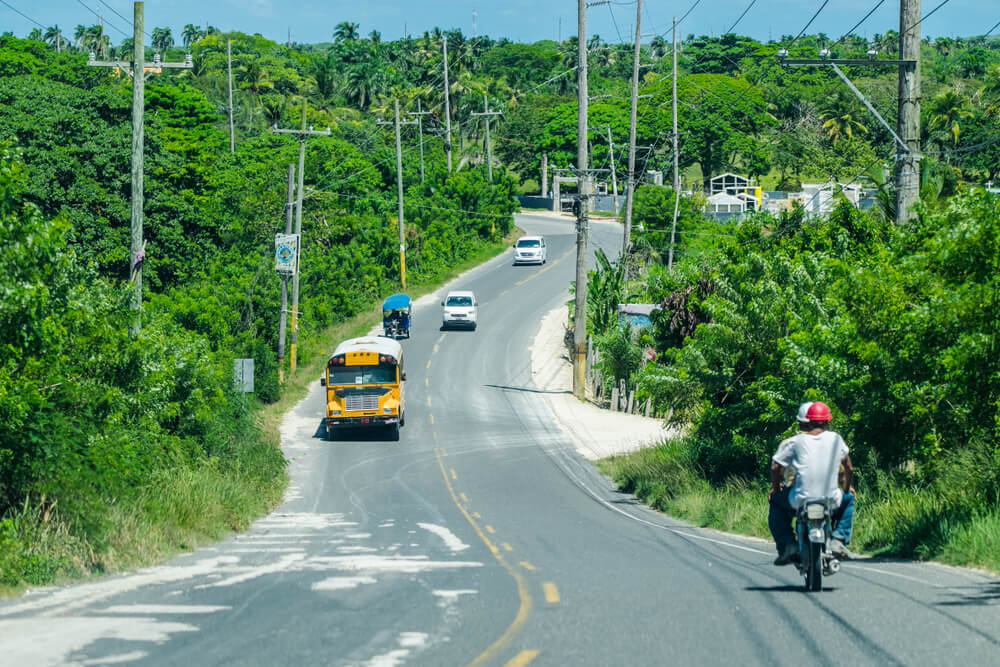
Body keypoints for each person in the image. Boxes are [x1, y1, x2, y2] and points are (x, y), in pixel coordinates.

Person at [768, 400, 855, 565]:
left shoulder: (793, 442)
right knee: (848, 499)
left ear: (804, 421)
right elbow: (848, 469)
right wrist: (847, 489)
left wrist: (775, 489)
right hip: (830, 498)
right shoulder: (836, 439)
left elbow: (775, 468)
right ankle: (838, 539)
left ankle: (788, 545)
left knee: (776, 503)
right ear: (828, 421)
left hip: (799, 498)